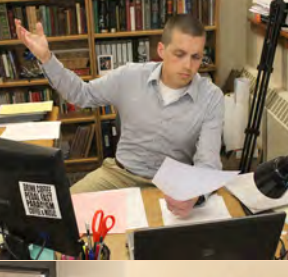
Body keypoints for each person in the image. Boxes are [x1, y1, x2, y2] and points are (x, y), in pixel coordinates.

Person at [15, 13, 223, 217]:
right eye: (180, 54)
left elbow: (208, 164)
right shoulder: (130, 76)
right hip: (120, 175)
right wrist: (46, 58)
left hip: (173, 186)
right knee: (63, 213)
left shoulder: (211, 97)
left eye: (196, 57)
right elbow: (82, 94)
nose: (188, 65)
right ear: (161, 50)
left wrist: (195, 194)